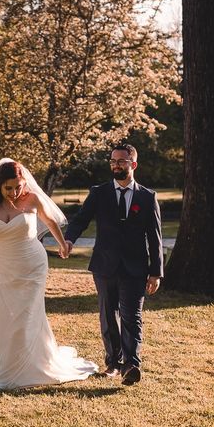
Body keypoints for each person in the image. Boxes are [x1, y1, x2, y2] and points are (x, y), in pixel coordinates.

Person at [0, 158, 98, 390]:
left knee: (27, 314)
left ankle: (26, 367)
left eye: (18, 186)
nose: (14, 192)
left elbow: (50, 221)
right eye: (8, 188)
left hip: (32, 265)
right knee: (6, 317)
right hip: (1, 268)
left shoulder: (33, 199)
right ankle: (10, 359)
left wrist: (62, 244)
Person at [64, 144, 163, 386]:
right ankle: (113, 364)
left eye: (121, 161)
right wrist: (68, 239)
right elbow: (81, 219)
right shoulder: (99, 192)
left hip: (135, 269)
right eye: (113, 161)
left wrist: (155, 272)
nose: (116, 165)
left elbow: (155, 237)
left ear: (133, 164)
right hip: (104, 266)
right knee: (108, 316)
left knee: (132, 317)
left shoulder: (147, 197)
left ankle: (132, 365)